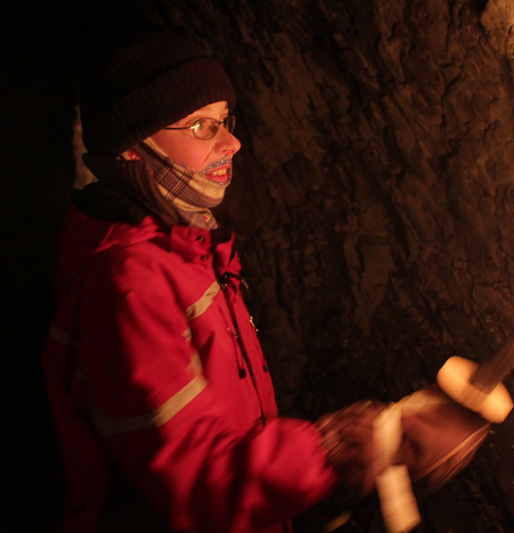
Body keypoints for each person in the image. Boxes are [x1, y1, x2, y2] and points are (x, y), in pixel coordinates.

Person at [41, 30, 385, 532]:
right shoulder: (126, 286)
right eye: (203, 127)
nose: (232, 143)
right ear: (133, 149)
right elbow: (197, 482)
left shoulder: (188, 247)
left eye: (225, 121)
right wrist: (331, 451)